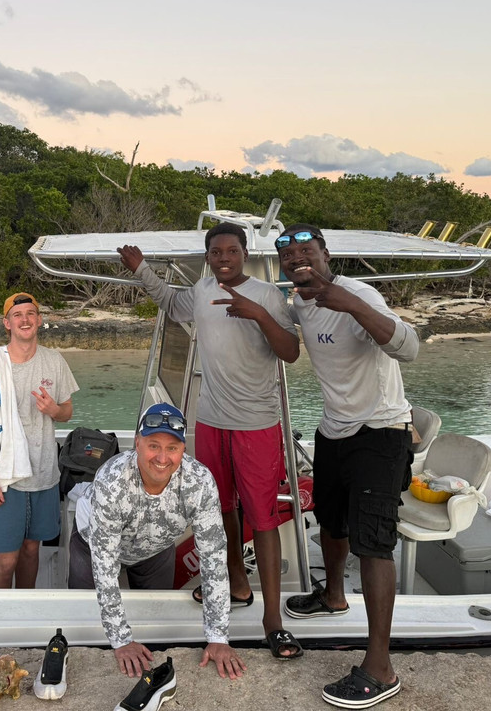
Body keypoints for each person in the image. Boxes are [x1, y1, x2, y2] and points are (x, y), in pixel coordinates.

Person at [117, 222, 302, 659]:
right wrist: (141, 269)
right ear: (207, 257)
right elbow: (169, 302)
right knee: (220, 508)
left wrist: (258, 314)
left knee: (263, 518)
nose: (224, 258)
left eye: (232, 251)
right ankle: (237, 584)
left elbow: (291, 352)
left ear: (245, 254)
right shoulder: (201, 291)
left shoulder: (268, 295)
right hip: (212, 420)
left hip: (257, 423)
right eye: (216, 252)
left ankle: (273, 622)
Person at [273, 223, 419, 708]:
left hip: (380, 431)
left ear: (326, 255)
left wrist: (352, 304)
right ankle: (332, 596)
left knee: (373, 544)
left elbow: (409, 348)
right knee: (331, 521)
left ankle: (380, 668)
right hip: (334, 428)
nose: (297, 258)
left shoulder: (360, 294)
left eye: (307, 251)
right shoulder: (298, 302)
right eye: (288, 254)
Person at [70, 402, 246, 681]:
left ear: (183, 449)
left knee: (157, 624)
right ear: (137, 443)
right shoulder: (112, 479)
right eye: (153, 446)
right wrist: (121, 640)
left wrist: (218, 637)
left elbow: (213, 558)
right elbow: (105, 565)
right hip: (91, 545)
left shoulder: (200, 482)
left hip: (156, 549)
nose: (162, 458)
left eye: (172, 448)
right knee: (83, 626)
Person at [0, 292, 79, 589]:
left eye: (30, 314)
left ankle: (25, 607)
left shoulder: (54, 361)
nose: (24, 319)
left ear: (39, 320)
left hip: (44, 475)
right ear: (7, 323)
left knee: (31, 550)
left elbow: (67, 412)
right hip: (4, 479)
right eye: (17, 315)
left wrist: (54, 410)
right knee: (5, 561)